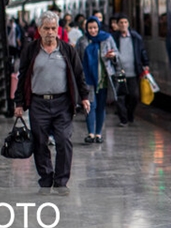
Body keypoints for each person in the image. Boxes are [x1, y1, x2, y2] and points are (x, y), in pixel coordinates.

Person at [14, 11, 90, 196]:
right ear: (39, 30)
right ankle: (46, 180)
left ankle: (61, 181)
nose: (50, 32)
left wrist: (84, 97)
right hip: (38, 103)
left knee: (64, 140)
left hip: (62, 103)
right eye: (46, 28)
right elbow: (22, 77)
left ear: (58, 30)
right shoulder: (31, 50)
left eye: (53, 28)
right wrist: (19, 103)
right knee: (40, 142)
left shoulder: (67, 50)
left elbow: (79, 74)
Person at [76, 16, 118, 144]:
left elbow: (117, 53)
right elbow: (76, 59)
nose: (93, 30)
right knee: (90, 105)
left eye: (95, 27)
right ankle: (91, 133)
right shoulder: (82, 41)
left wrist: (113, 56)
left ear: (99, 27)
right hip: (87, 79)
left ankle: (98, 134)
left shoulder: (107, 38)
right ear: (86, 28)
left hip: (103, 78)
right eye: (90, 28)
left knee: (101, 106)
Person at [111, 13, 149, 126]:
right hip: (119, 73)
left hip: (133, 72)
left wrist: (145, 63)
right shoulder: (113, 38)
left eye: (125, 22)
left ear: (128, 24)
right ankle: (123, 119)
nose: (123, 25)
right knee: (120, 96)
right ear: (117, 24)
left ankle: (130, 114)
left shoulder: (136, 37)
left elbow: (142, 51)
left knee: (134, 95)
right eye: (121, 23)